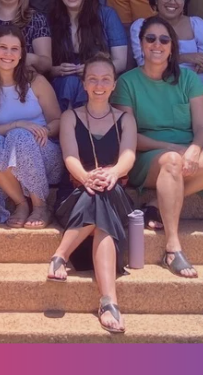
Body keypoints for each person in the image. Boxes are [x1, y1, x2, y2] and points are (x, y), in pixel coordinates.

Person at [112, 17, 203, 278]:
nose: (157, 44)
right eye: (150, 38)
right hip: (147, 156)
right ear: (141, 44)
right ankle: (172, 248)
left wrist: (195, 148)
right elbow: (129, 136)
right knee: (172, 160)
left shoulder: (188, 79)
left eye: (164, 40)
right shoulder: (127, 82)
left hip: (185, 154)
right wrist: (172, 147)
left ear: (172, 46)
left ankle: (155, 203)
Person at [48, 54, 137, 334]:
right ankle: (109, 302)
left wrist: (112, 173)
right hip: (76, 193)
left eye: (105, 80)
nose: (99, 85)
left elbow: (128, 156)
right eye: (93, 79)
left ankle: (60, 255)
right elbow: (70, 157)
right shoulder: (70, 117)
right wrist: (86, 177)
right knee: (99, 199)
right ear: (84, 84)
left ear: (114, 85)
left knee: (103, 194)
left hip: (112, 190)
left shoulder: (125, 119)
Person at [0, 26, 64, 228]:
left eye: (14, 49)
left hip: (45, 154)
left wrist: (43, 131)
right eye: (3, 47)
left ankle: (41, 206)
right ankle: (21, 203)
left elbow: (58, 121)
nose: (8, 54)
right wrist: (17, 125)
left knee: (20, 136)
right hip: (10, 159)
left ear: (22, 54)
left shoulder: (36, 81)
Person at [48, 0, 129, 109]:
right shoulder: (51, 19)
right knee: (70, 82)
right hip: (61, 83)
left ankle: (72, 121)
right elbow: (44, 64)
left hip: (99, 82)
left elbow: (121, 62)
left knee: (81, 83)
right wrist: (55, 70)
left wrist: (92, 70)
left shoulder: (107, 15)